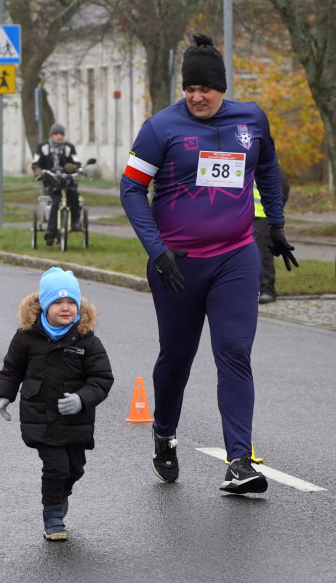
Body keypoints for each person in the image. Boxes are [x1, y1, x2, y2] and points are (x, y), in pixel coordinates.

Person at [119, 33, 297, 495]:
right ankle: (164, 434)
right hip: (176, 265)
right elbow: (131, 189)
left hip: (236, 258)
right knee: (176, 358)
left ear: (222, 86)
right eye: (189, 88)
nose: (197, 96)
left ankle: (239, 461)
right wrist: (157, 250)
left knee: (234, 352)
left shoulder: (251, 119)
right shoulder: (160, 128)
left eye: (206, 88)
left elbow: (269, 167)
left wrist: (275, 223)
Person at [0, 268, 113, 541]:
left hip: (76, 421)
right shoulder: (26, 337)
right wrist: (5, 395)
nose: (65, 308)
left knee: (75, 469)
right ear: (45, 305)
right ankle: (53, 516)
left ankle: (60, 495)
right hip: (41, 416)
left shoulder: (87, 341)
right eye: (58, 302)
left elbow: (102, 378)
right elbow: (12, 369)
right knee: (56, 467)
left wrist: (82, 398)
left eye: (71, 302)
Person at [32, 123, 83, 244]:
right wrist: (37, 170)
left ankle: (75, 221)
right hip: (51, 180)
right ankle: (50, 232)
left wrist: (73, 167)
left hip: (67, 179)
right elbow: (35, 163)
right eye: (56, 134)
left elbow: (77, 162)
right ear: (51, 136)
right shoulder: (43, 147)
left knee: (74, 197)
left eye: (61, 134)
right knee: (56, 201)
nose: (58, 137)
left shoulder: (69, 147)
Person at [254, 166, 291, 304]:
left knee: (263, 254)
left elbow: (283, 188)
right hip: (248, 214)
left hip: (263, 216)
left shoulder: (268, 161)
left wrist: (275, 211)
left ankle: (267, 290)